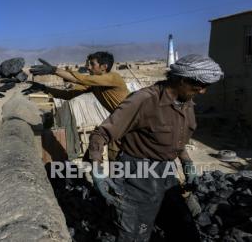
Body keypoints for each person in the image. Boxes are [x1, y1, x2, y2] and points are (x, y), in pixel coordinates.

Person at [88, 54, 224, 241]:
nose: (202, 92)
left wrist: (187, 163)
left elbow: (175, 139)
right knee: (135, 234)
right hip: (136, 174)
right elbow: (101, 134)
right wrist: (97, 169)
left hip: (165, 173)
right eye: (200, 86)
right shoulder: (144, 100)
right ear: (182, 80)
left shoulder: (186, 102)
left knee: (185, 230)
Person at [23, 51, 129, 160]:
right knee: (113, 155)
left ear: (104, 67)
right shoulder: (93, 85)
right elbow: (68, 95)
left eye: (92, 64)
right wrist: (44, 88)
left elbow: (80, 79)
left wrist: (54, 70)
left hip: (131, 122)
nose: (88, 67)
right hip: (119, 124)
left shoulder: (114, 77)